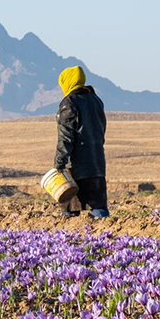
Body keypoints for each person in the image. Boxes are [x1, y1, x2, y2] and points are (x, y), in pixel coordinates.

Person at [54, 66, 108, 218]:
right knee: (98, 207)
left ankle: (71, 240)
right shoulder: (96, 100)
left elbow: (65, 137)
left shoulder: (69, 103)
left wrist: (59, 163)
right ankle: (104, 238)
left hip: (76, 167)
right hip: (97, 163)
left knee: (70, 211)